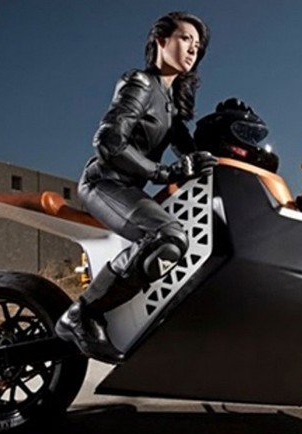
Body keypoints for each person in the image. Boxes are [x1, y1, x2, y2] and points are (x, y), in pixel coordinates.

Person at [55, 12, 216, 363]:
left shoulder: (172, 103)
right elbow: (108, 142)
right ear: (161, 40)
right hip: (104, 183)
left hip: (129, 189)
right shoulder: (140, 83)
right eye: (185, 38)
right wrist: (162, 172)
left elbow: (190, 151)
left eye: (197, 45)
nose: (193, 49)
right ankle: (82, 314)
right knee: (167, 236)